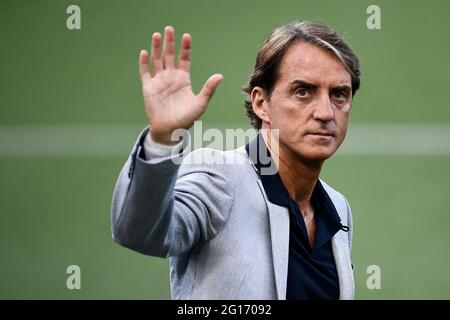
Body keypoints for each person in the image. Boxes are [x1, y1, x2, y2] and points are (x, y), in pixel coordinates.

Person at [111, 20, 360, 300]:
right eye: (303, 91)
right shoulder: (221, 177)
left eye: (339, 94)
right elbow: (141, 232)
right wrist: (163, 138)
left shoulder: (337, 209)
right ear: (261, 103)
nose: (326, 113)